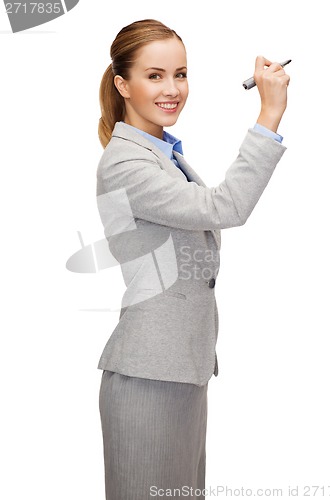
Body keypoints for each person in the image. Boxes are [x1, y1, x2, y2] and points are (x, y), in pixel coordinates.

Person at [96, 18, 290, 500]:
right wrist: (269, 115)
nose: (173, 88)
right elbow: (225, 208)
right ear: (123, 84)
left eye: (180, 74)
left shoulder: (165, 154)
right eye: (154, 75)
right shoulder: (125, 162)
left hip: (182, 368)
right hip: (148, 376)